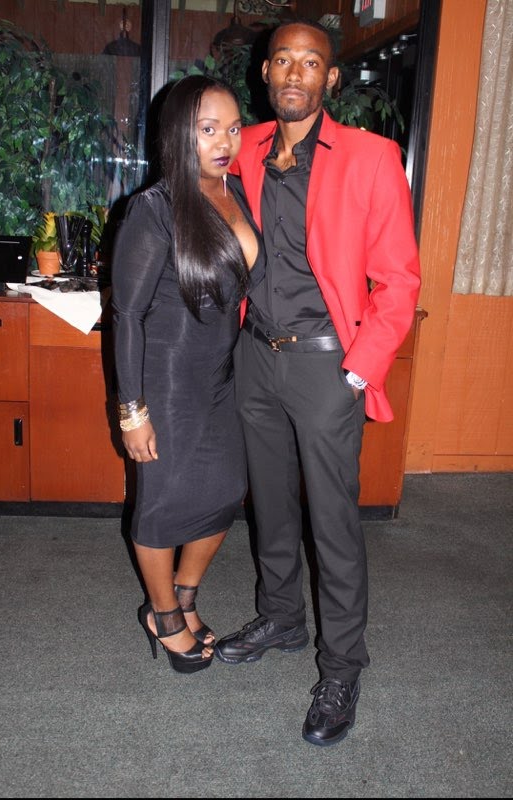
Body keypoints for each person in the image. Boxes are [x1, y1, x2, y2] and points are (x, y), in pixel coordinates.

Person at [214, 20, 421, 743]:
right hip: (256, 355)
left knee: (332, 522)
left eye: (310, 62)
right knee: (270, 506)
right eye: (283, 60)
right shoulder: (244, 149)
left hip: (329, 363)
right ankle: (280, 617)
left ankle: (342, 667)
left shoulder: (372, 156)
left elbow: (399, 281)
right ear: (265, 72)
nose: (295, 73)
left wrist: (359, 368)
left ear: (330, 78)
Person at [112, 75, 265, 675]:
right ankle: (162, 614)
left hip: (221, 374)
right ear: (180, 134)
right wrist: (132, 410)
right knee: (162, 501)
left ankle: (185, 593)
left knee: (226, 490)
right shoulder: (153, 209)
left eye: (233, 129)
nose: (224, 142)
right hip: (168, 378)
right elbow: (127, 315)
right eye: (208, 129)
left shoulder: (235, 193)